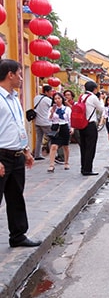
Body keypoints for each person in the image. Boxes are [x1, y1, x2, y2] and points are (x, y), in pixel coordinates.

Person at [0, 59, 41, 247]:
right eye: (19, 73)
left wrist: (26, 150)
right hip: (1, 156)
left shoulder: (15, 98)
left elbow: (17, 126)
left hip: (16, 155)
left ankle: (18, 236)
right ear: (10, 74)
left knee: (16, 197)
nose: (21, 78)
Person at [79, 81, 104, 176]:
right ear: (94, 89)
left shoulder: (81, 97)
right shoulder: (93, 97)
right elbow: (101, 109)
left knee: (83, 147)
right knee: (90, 147)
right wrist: (100, 99)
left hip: (81, 124)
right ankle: (88, 169)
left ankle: (83, 167)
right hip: (90, 124)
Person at [47, 92, 72, 172]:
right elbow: (49, 119)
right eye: (55, 99)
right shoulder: (52, 109)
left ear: (62, 99)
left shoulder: (67, 109)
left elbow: (70, 119)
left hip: (64, 127)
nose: (57, 100)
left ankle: (66, 162)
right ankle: (51, 164)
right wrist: (52, 112)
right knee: (53, 146)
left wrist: (72, 128)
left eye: (59, 98)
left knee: (66, 146)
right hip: (55, 127)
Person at [33, 84, 54, 160]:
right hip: (46, 122)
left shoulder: (36, 98)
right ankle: (53, 155)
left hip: (37, 121)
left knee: (39, 138)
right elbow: (53, 108)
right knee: (52, 138)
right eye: (50, 91)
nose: (51, 93)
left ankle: (37, 155)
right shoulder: (48, 100)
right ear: (46, 92)